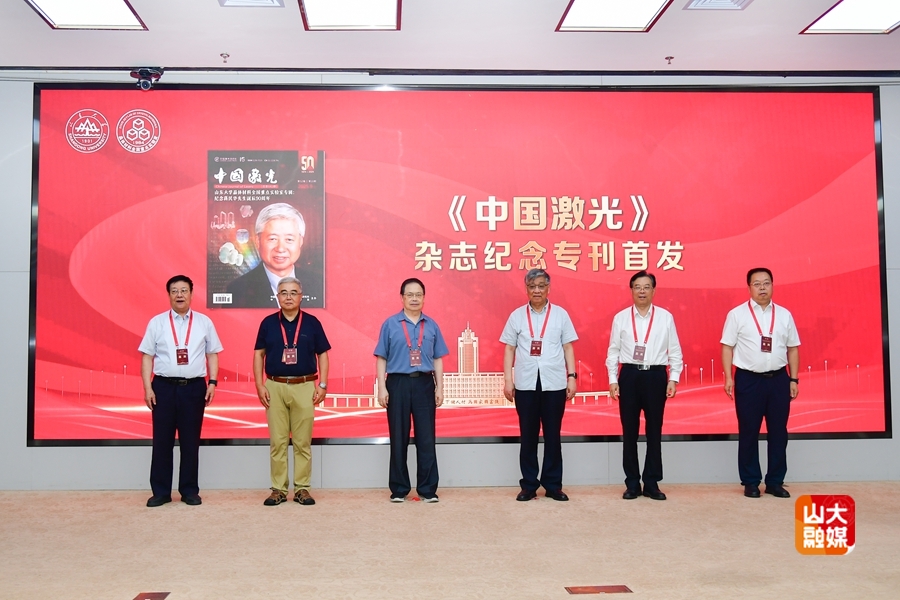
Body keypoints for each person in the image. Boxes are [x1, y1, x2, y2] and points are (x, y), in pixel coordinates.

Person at [139, 275, 222, 507]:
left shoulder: (204, 322)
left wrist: (212, 382)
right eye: (174, 291)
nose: (179, 295)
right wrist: (148, 387)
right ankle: (161, 492)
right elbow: (147, 357)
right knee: (162, 441)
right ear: (168, 295)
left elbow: (212, 354)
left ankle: (189, 490)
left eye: (184, 290)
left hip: (194, 388)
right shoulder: (157, 323)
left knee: (190, 441)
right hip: (163, 388)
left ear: (191, 294)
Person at [721, 268, 800, 499]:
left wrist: (794, 378)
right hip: (748, 380)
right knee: (748, 431)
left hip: (779, 380)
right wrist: (728, 377)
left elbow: (793, 348)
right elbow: (727, 346)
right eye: (757, 284)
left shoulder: (784, 315)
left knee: (779, 432)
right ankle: (751, 481)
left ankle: (775, 481)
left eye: (766, 283)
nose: (762, 287)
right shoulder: (737, 314)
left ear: (773, 285)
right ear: (749, 288)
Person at [501, 268, 578, 502]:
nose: (537, 290)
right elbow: (509, 348)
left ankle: (553, 485)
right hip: (526, 384)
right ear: (526, 288)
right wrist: (508, 380)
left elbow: (568, 347)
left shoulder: (560, 315)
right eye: (532, 286)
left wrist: (572, 376)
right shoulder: (516, 316)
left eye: (541, 286)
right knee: (528, 436)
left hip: (554, 384)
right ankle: (529, 485)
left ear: (548, 288)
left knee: (553, 436)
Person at [606, 270, 683, 501]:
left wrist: (673, 378)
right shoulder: (621, 318)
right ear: (631, 290)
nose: (642, 291)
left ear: (654, 291)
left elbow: (675, 350)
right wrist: (612, 379)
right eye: (637, 287)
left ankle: (651, 482)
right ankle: (632, 483)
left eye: (646, 287)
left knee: (654, 431)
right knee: (629, 431)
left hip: (656, 376)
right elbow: (613, 351)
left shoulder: (665, 317)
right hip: (629, 375)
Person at [253, 276, 331, 506]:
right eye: (284, 293)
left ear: (301, 296)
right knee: (277, 442)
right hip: (274, 386)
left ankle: (302, 488)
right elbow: (258, 354)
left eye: (293, 292)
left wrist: (323, 384)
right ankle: (278, 489)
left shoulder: (312, 323)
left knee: (302, 442)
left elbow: (323, 354)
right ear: (277, 297)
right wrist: (259, 385)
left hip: (305, 386)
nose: (288, 297)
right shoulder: (268, 323)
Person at [374, 278, 449, 503]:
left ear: (424, 298)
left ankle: (427, 489)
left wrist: (440, 388)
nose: (414, 299)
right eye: (410, 295)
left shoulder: (432, 325)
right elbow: (381, 357)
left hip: (424, 384)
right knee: (398, 437)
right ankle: (399, 489)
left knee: (426, 438)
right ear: (402, 298)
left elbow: (438, 358)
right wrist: (381, 387)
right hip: (397, 383)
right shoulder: (390, 324)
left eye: (418, 295)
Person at [226, 202, 324, 308]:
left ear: (300, 241)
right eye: (273, 239)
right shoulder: (238, 289)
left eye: (289, 239)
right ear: (258, 241)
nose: (280, 248)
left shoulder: (319, 283)